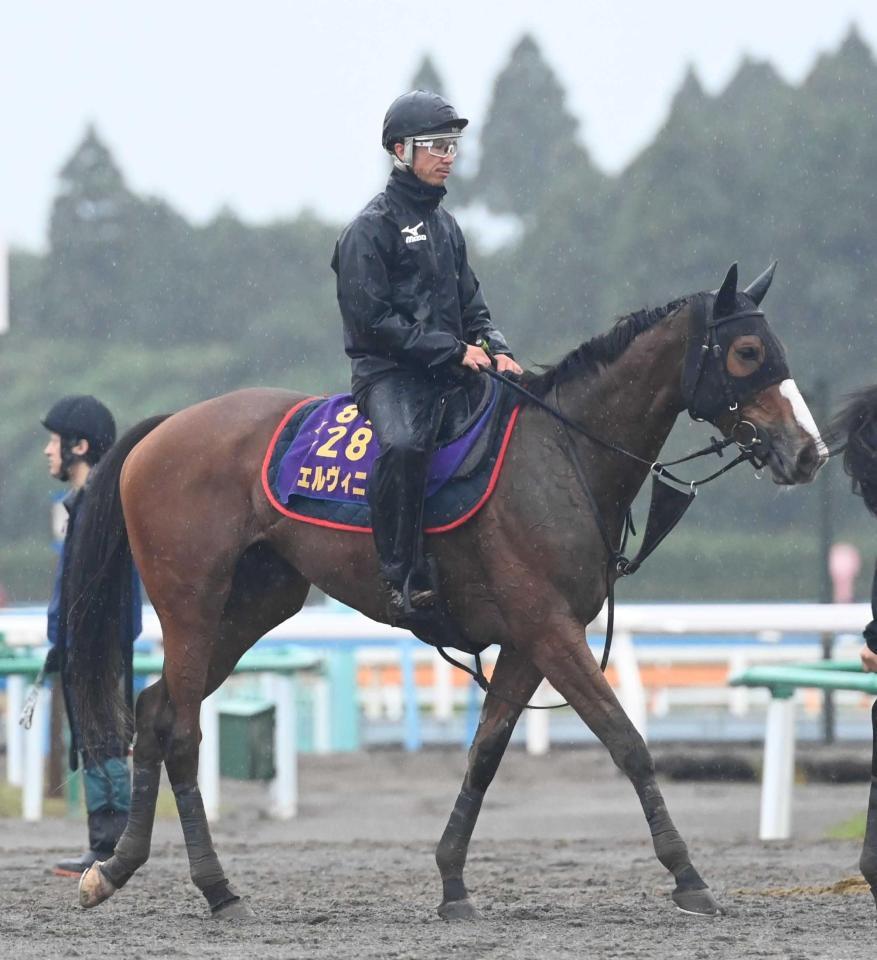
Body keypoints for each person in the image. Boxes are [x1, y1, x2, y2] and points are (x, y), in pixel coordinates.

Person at [331, 90, 523, 617]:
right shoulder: (369, 230)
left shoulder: (446, 226)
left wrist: (496, 349)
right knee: (405, 444)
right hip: (389, 374)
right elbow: (373, 323)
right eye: (436, 145)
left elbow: (473, 307)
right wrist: (452, 350)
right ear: (400, 151)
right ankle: (399, 573)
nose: (448, 156)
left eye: (453, 145)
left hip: (450, 367)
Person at [40, 394, 140, 877]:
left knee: (104, 743)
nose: (47, 451)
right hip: (83, 648)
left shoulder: (102, 506)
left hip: (99, 651)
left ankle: (110, 848)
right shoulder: (83, 505)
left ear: (79, 446)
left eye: (54, 441)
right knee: (94, 743)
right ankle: (104, 843)